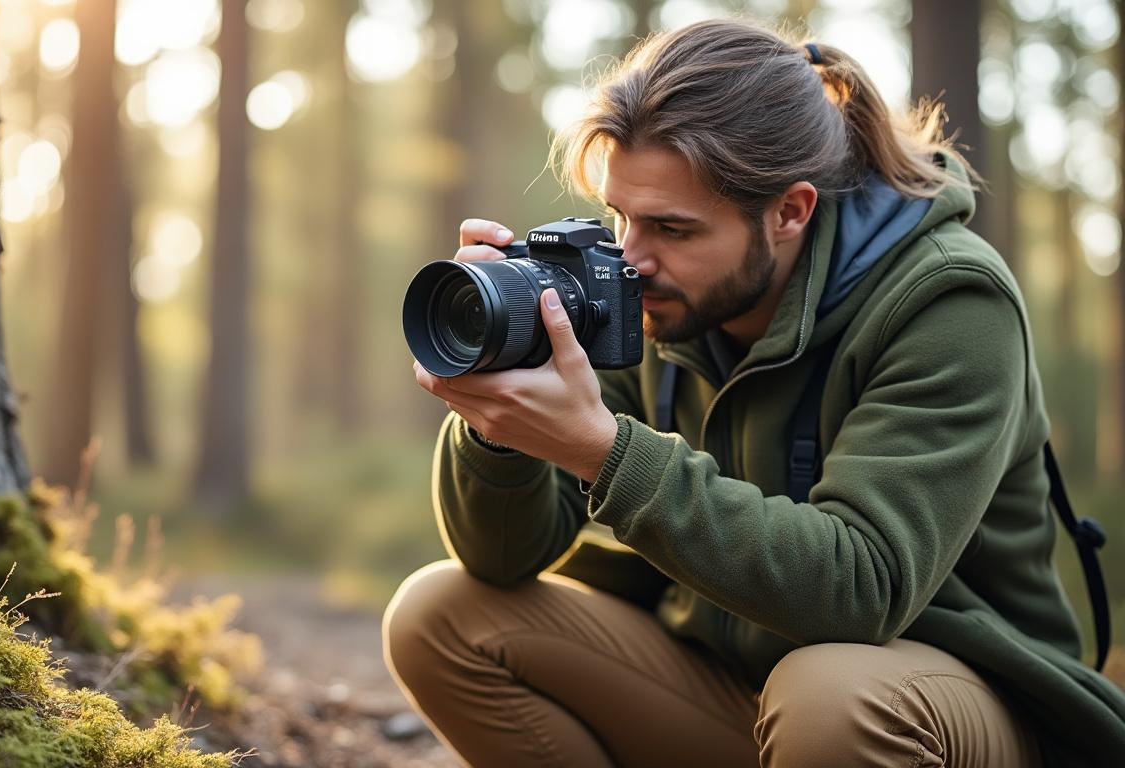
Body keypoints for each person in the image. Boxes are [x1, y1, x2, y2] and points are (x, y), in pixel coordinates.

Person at [383, 18, 1125, 768]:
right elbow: (501, 560)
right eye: (620, 215)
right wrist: (497, 428)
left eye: (672, 228)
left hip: (946, 709)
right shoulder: (645, 294)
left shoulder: (947, 302)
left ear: (790, 211)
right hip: (741, 695)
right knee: (439, 615)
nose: (631, 258)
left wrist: (606, 454)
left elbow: (862, 587)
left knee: (831, 697)